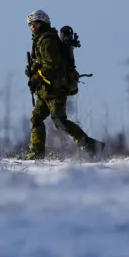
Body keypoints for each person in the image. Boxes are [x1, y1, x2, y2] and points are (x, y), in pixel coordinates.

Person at [25, 9, 104, 159]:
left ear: (43, 23)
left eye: (35, 23)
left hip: (55, 89)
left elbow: (52, 66)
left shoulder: (47, 41)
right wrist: (33, 70)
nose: (32, 27)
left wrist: (35, 77)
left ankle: (91, 146)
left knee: (59, 121)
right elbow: (42, 63)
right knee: (36, 119)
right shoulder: (40, 40)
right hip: (45, 90)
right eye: (30, 24)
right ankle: (36, 154)